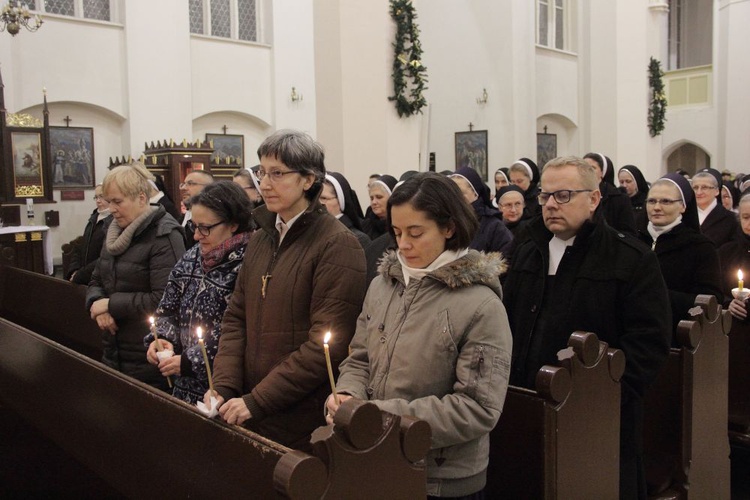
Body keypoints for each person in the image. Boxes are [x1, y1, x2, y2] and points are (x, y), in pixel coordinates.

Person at [327, 172, 512, 499]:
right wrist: (347, 395)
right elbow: (360, 359)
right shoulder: (382, 286)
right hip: (376, 459)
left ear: (449, 228)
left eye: (416, 232)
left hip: (442, 478)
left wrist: (377, 417)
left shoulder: (481, 305)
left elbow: (477, 408)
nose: (403, 244)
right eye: (397, 232)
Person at [502, 156, 671, 500]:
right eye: (545, 196)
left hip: (599, 420)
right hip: (528, 408)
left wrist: (602, 398)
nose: (550, 204)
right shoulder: (526, 251)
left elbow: (649, 344)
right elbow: (506, 323)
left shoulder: (630, 258)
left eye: (563, 195)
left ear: (593, 199)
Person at [207, 129, 367, 449]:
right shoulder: (263, 236)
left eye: (277, 173)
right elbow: (236, 316)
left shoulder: (337, 245)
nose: (264, 183)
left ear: (308, 180)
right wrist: (223, 385)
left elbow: (324, 347)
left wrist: (259, 400)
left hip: (299, 416)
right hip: (251, 403)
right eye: (261, 172)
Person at [144, 181, 254, 404]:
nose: (196, 236)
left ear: (233, 224)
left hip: (225, 390)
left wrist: (191, 361)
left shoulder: (249, 261)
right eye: (194, 226)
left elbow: (241, 328)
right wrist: (162, 339)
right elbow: (167, 308)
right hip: (183, 386)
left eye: (205, 228)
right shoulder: (192, 257)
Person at [85, 165, 186, 389]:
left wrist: (110, 304)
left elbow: (164, 298)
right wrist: (96, 304)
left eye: (117, 202)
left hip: (149, 351)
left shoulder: (164, 235)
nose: (111, 209)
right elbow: (96, 280)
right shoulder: (113, 230)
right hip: (115, 346)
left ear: (141, 198)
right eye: (108, 201)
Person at [637, 174, 723, 339]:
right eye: (652, 201)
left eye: (666, 201)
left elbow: (710, 301)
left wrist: (657, 295)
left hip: (678, 335)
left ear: (683, 206)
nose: (656, 207)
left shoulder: (700, 247)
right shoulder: (633, 241)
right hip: (632, 333)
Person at [450, 166, 514, 255]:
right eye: (452, 193)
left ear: (475, 194)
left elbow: (505, 261)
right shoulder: (447, 222)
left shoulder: (493, 227)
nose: (456, 197)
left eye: (461, 193)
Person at [66, 184, 112, 285]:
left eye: (102, 196)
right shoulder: (93, 219)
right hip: (85, 277)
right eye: (96, 197)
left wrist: (81, 275)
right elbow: (81, 247)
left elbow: (105, 257)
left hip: (101, 279)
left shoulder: (114, 221)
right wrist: (74, 270)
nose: (98, 201)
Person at [584, 153, 637, 235]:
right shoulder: (576, 194)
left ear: (602, 172)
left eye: (592, 168)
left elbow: (629, 233)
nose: (587, 171)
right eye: (583, 168)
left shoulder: (619, 198)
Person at [320, 172, 370, 249]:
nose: (319, 203)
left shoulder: (359, 238)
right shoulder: (314, 232)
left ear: (340, 201)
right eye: (316, 199)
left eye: (323, 198)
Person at [720, 194, 750, 321]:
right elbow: (716, 288)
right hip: (735, 327)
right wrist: (728, 303)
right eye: (746, 217)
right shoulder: (727, 252)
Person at [693, 168, 738, 248]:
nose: (699, 192)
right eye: (695, 188)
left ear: (717, 191)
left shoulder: (732, 219)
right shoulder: (684, 217)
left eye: (704, 187)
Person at [181, 169, 214, 248]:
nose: (183, 188)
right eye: (183, 184)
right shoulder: (181, 218)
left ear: (208, 188)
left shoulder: (211, 219)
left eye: (190, 183)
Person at [362, 174, 397, 240]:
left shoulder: (398, 225)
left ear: (391, 198)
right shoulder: (366, 225)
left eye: (379, 197)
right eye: (371, 198)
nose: (374, 202)